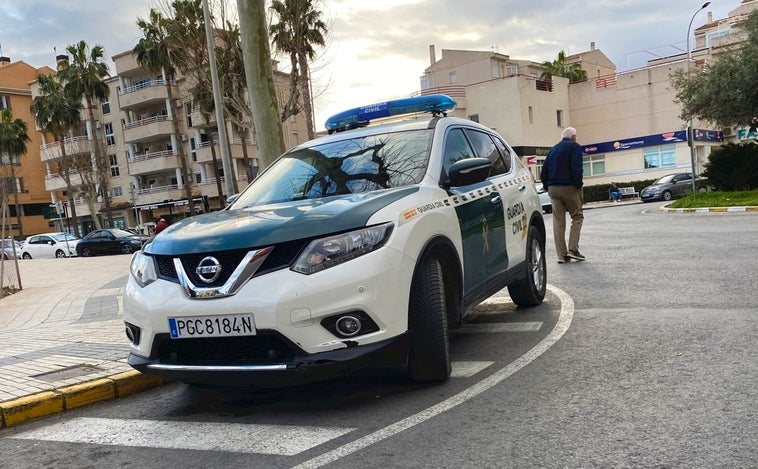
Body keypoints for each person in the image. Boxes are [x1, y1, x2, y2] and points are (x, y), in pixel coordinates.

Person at [540, 127, 585, 263]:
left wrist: (548, 187)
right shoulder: (574, 147)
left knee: (558, 221)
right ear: (573, 137)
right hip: (569, 187)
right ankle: (573, 250)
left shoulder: (553, 150)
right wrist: (578, 184)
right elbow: (577, 168)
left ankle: (561, 255)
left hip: (553, 188)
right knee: (577, 216)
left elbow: (543, 172)